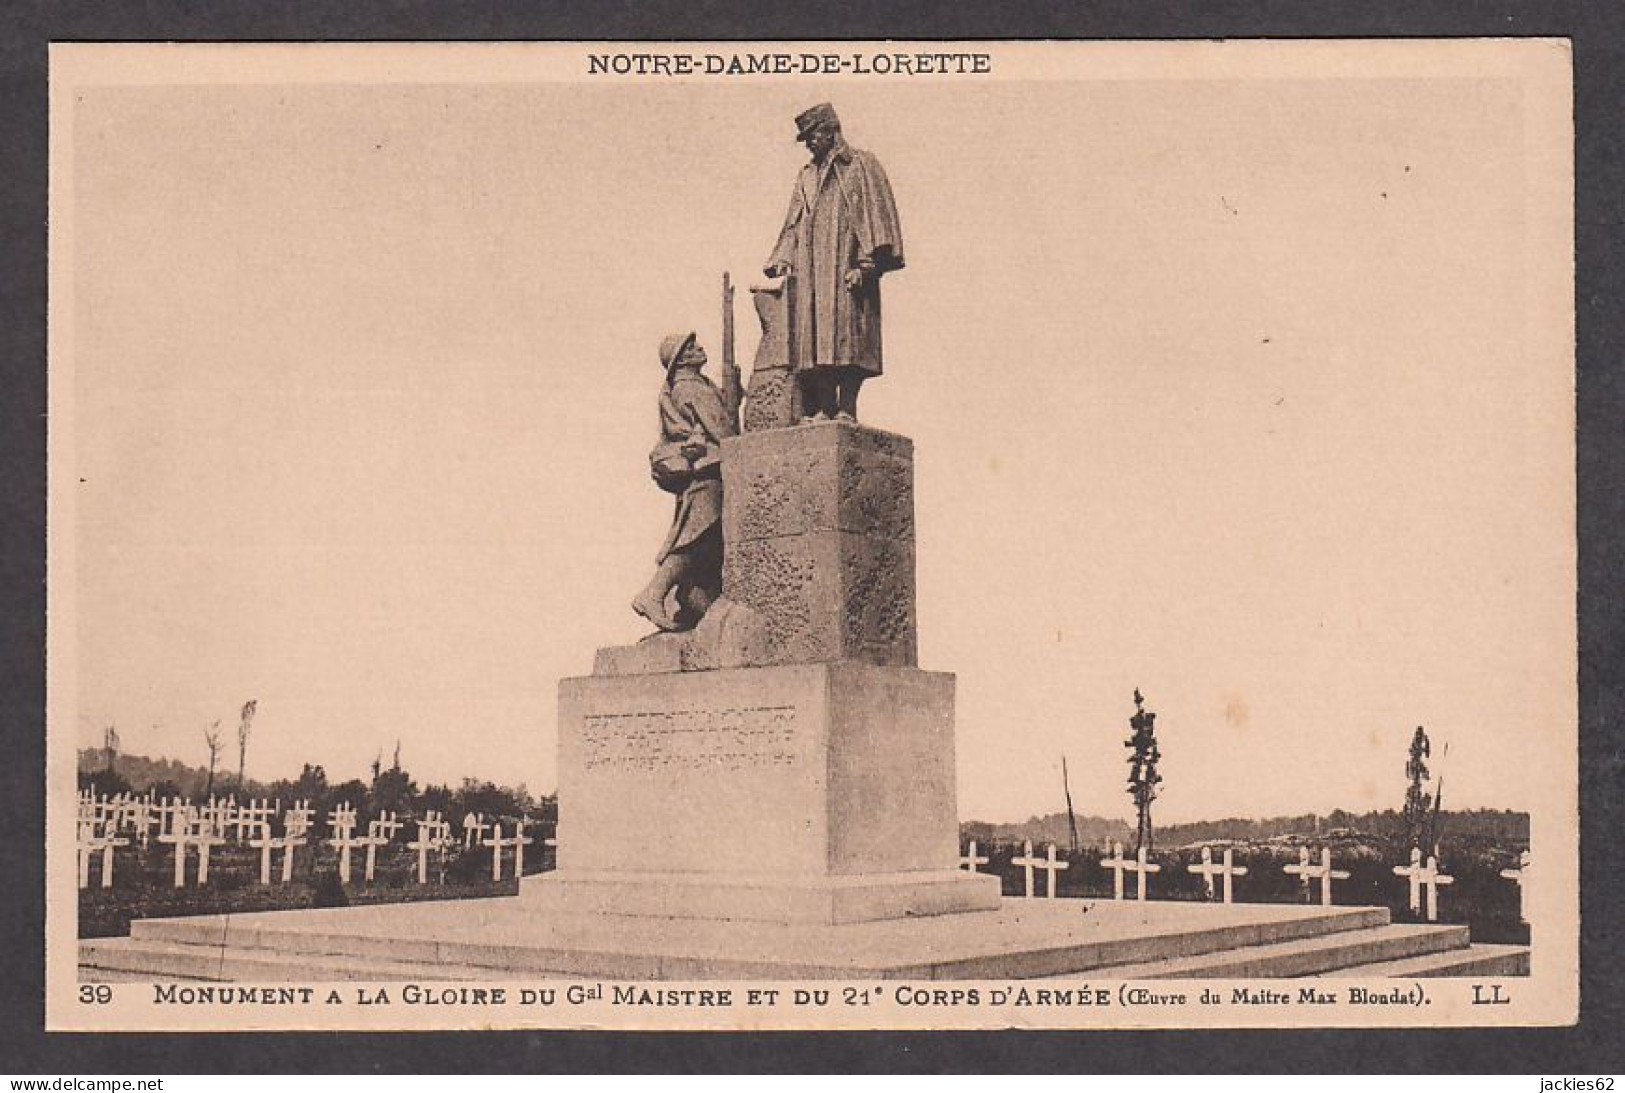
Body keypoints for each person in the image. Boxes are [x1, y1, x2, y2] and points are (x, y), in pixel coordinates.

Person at [763, 103, 904, 423]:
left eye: (814, 134)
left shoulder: (861, 165)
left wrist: (866, 266)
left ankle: (847, 408)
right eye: (807, 138)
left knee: (848, 339)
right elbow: (793, 223)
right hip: (812, 268)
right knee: (814, 341)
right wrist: (781, 258)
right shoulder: (806, 176)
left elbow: (875, 221)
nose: (810, 142)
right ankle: (826, 407)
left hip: (845, 266)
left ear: (832, 129)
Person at [632, 331, 738, 632]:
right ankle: (653, 593)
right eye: (691, 346)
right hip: (708, 473)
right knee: (696, 534)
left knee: (707, 544)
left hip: (707, 472)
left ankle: (691, 600)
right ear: (680, 358)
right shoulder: (690, 388)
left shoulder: (697, 386)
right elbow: (723, 431)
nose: (700, 347)